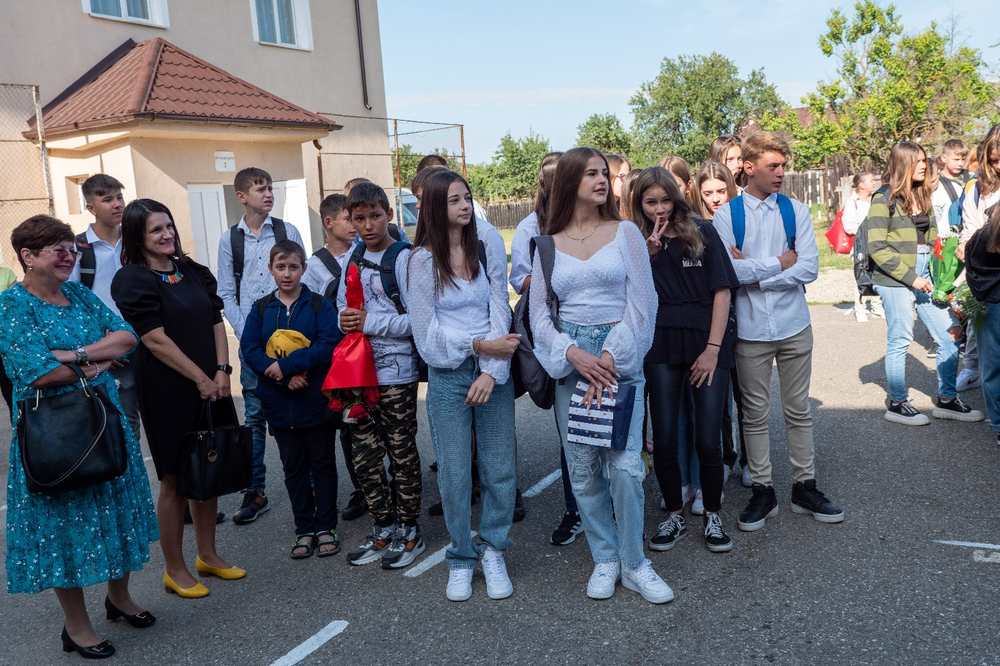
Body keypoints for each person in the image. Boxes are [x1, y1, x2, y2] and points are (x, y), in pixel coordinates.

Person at [1, 215, 158, 660]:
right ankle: (76, 626)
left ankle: (119, 598)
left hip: (103, 422)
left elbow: (126, 338)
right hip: (52, 434)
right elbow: (38, 373)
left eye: (71, 247)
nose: (69, 255)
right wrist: (94, 364)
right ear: (28, 256)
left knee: (116, 513)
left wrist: (77, 355)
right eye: (58, 249)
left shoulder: (79, 294)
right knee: (63, 532)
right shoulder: (11, 306)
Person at [530, 147, 673, 604]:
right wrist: (572, 353)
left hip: (619, 358)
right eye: (591, 173)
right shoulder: (548, 243)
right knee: (582, 469)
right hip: (572, 363)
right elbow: (538, 315)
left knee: (626, 467)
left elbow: (644, 301)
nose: (601, 181)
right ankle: (605, 557)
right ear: (569, 182)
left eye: (604, 174)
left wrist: (612, 354)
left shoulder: (626, 232)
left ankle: (634, 563)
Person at [112, 199, 246, 600]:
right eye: (156, 230)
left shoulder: (192, 271)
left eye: (168, 226)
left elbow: (215, 321)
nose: (166, 234)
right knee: (175, 480)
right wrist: (200, 378)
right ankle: (175, 569)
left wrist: (222, 371)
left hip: (213, 384)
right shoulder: (132, 280)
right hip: (168, 391)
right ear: (137, 236)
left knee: (210, 467)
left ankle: (209, 555)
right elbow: (155, 340)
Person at [711, 131, 844, 532]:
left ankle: (805, 486)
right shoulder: (727, 215)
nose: (781, 172)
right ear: (749, 168)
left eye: (783, 165)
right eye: (773, 166)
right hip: (751, 329)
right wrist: (779, 263)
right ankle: (763, 490)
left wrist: (756, 272)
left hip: (793, 325)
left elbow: (809, 268)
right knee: (753, 414)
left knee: (798, 410)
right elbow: (728, 272)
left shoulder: (796, 211)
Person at [407, 168, 520, 601]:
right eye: (454, 200)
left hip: (493, 369)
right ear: (436, 207)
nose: (465, 206)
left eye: (467, 197)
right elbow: (426, 334)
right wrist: (477, 346)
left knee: (499, 468)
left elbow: (500, 308)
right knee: (454, 473)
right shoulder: (420, 261)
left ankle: (494, 549)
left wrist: (490, 369)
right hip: (449, 373)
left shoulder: (485, 245)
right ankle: (460, 557)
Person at [636, 168, 739, 554]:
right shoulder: (635, 240)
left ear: (676, 199)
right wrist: (646, 255)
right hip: (661, 342)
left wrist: (712, 350)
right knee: (664, 437)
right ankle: (674, 514)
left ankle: (713, 513)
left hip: (706, 341)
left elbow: (723, 292)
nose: (659, 209)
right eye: (651, 202)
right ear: (639, 204)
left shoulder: (701, 231)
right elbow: (628, 293)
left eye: (665, 200)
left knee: (707, 437)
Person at [866, 141, 984, 426]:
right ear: (903, 164)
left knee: (950, 334)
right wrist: (912, 278)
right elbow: (877, 247)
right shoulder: (883, 198)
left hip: (926, 276)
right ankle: (897, 403)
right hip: (894, 278)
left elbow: (931, 240)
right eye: (918, 161)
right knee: (900, 338)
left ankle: (947, 399)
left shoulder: (923, 194)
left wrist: (943, 269)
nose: (924, 165)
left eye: (923, 160)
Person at [338, 181, 425, 569]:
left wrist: (369, 322)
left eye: (375, 216)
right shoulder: (353, 257)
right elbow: (343, 307)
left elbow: (418, 321)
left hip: (397, 373)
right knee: (365, 457)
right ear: (350, 220)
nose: (368, 225)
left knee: (401, 453)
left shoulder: (405, 259)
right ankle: (383, 527)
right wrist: (344, 321)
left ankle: (409, 530)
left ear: (389, 214)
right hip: (358, 373)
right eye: (359, 218)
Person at [216, 167, 305, 526]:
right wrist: (247, 334)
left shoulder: (287, 231)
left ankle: (304, 484)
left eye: (270, 188)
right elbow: (226, 292)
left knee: (294, 414)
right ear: (241, 196)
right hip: (252, 344)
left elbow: (302, 280)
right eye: (259, 189)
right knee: (254, 418)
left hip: (289, 340)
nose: (268, 194)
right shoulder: (230, 240)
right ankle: (254, 491)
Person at [241, 240, 341, 559]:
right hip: (280, 403)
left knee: (322, 464)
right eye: (280, 267)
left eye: (293, 267)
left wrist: (289, 365)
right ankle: (304, 529)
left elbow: (327, 343)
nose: (287, 274)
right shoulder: (261, 309)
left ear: (303, 269)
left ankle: (326, 527)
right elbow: (250, 349)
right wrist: (282, 376)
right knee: (293, 468)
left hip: (314, 399)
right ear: (270, 269)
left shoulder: (318, 306)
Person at [509, 151, 588, 545]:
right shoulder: (531, 227)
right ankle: (575, 510)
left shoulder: (592, 222)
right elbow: (519, 279)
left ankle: (608, 507)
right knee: (569, 429)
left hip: (595, 334)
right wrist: (548, 281)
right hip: (555, 335)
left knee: (602, 426)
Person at [303, 193, 367, 522]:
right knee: (347, 423)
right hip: (338, 355)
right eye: (348, 218)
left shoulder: (364, 253)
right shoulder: (314, 266)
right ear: (328, 222)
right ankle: (361, 488)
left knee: (375, 419)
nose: (355, 225)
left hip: (368, 347)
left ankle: (383, 481)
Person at [959, 128, 1000, 390]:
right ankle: (972, 370)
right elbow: (970, 228)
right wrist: (965, 245)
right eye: (994, 160)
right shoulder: (976, 189)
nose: (998, 166)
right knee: (991, 358)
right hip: (988, 280)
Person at [963, 204, 1000, 446]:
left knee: (992, 366)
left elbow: (971, 270)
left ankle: (998, 424)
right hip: (992, 305)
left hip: (988, 304)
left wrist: (981, 293)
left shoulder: (980, 237)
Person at [843, 172, 881, 322]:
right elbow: (848, 226)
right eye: (871, 181)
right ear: (861, 185)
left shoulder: (876, 200)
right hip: (860, 245)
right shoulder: (853, 202)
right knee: (860, 276)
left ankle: (877, 306)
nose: (874, 183)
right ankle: (860, 309)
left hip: (876, 244)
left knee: (877, 275)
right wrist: (865, 230)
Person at [931, 139, 971, 237]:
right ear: (944, 158)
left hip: (966, 234)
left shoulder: (970, 179)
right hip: (942, 235)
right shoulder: (935, 181)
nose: (960, 163)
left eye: (963, 159)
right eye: (956, 159)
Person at [0, 259, 15, 419]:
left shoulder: (6, 274)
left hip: (4, 340)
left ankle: (18, 425)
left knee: (9, 388)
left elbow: (13, 306)